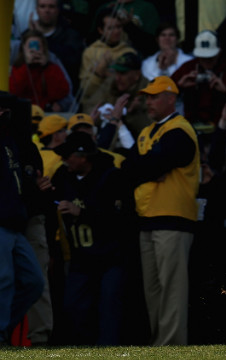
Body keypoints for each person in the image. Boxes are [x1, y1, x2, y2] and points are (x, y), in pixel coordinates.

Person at [121, 75, 200, 346]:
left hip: (173, 219)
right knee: (153, 290)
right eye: (147, 97)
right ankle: (159, 344)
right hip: (148, 219)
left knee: (172, 289)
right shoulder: (147, 131)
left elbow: (153, 163)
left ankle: (171, 345)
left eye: (154, 97)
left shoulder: (180, 129)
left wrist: (145, 167)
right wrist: (148, 168)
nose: (148, 102)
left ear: (171, 99)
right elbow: (129, 168)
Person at [51, 132, 133, 345]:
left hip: (111, 256)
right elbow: (49, 200)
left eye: (68, 155)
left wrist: (82, 213)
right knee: (73, 306)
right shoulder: (62, 176)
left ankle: (107, 352)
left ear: (83, 157)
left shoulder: (112, 176)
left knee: (109, 306)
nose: (63, 159)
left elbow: (122, 218)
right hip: (81, 257)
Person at [0, 104, 45, 345]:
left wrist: (32, 186)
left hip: (15, 222)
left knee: (34, 282)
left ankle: (3, 330)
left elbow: (17, 179)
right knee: (4, 280)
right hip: (2, 221)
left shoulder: (11, 140)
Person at [171, 30, 226, 125]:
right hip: (191, 127)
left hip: (222, 127)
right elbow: (164, 96)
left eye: (210, 57)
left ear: (219, 52)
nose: (206, 61)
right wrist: (179, 86)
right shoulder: (188, 68)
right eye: (202, 57)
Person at [9, 29, 70, 112]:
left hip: (43, 112)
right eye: (30, 46)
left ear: (43, 48)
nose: (34, 50)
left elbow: (60, 93)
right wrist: (26, 67)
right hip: (21, 111)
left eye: (37, 46)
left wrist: (47, 67)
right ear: (23, 48)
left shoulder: (52, 68)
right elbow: (14, 92)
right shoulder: (16, 68)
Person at [31, 0, 85, 92]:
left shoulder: (71, 35)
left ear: (58, 9)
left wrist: (39, 38)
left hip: (61, 92)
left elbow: (71, 62)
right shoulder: (28, 35)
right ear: (37, 10)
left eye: (51, 7)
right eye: (42, 6)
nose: (47, 10)